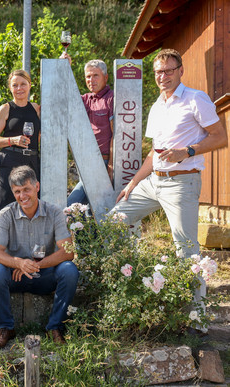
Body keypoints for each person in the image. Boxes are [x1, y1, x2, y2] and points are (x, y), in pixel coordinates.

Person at [112, 49, 227, 322]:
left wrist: (186, 151)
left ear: (180, 71)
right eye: (158, 72)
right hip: (153, 182)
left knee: (186, 251)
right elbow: (154, 153)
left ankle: (196, 320)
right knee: (115, 219)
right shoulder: (157, 106)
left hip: (182, 182)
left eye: (168, 70)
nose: (163, 76)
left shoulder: (195, 99)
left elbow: (221, 137)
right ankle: (131, 288)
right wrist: (133, 184)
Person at [0, 166, 78, 347]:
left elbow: (68, 252)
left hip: (45, 275)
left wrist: (36, 266)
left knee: (70, 270)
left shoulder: (55, 213)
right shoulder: (6, 215)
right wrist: (19, 263)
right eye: (17, 191)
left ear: (37, 187)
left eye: (27, 189)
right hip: (16, 276)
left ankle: (54, 327)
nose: (23, 196)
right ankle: (6, 327)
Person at [60, 56, 114, 206]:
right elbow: (63, 96)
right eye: (88, 76)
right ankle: (85, 230)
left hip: (102, 162)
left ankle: (61, 224)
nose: (91, 80)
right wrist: (64, 68)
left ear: (106, 77)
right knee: (91, 208)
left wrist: (111, 164)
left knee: (72, 204)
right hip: (86, 161)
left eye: (95, 75)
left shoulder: (112, 98)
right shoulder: (85, 99)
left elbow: (116, 134)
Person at [0, 69, 41, 215]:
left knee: (31, 207)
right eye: (15, 85)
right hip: (10, 162)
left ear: (30, 85)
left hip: (32, 161)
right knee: (6, 207)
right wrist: (12, 140)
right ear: (10, 88)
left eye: (23, 84)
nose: (19, 88)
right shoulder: (5, 109)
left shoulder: (36, 109)